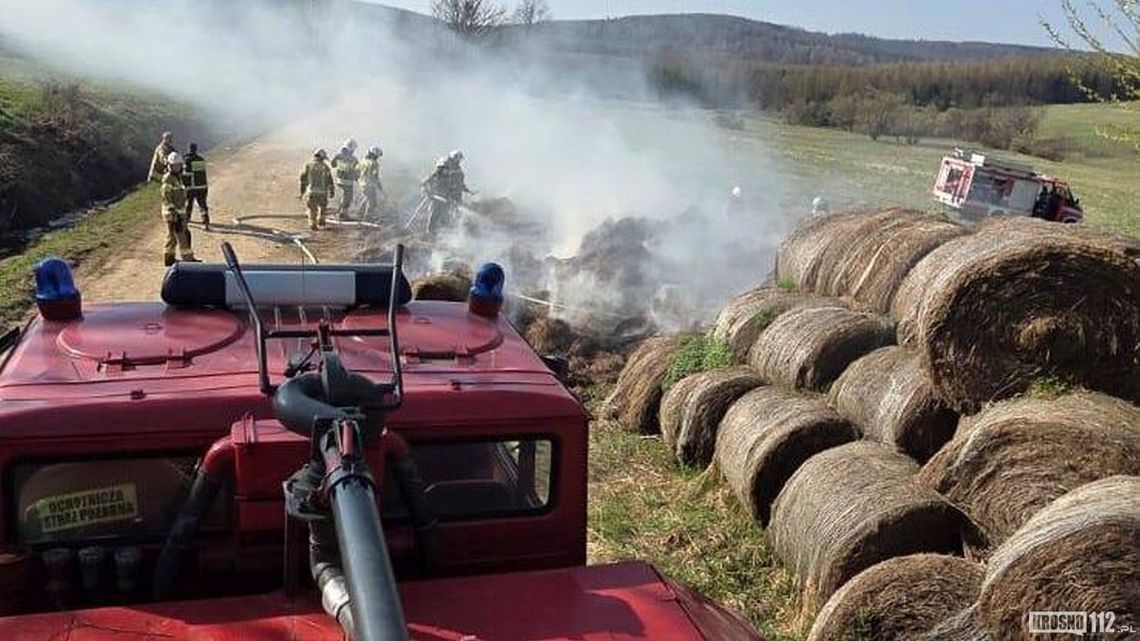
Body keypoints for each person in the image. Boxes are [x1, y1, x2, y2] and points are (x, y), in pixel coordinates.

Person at [421, 150, 473, 235]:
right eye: (457, 159)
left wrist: (467, 190)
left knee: (446, 212)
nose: (458, 162)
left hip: (448, 194)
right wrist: (427, 190)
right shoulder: (442, 167)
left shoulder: (457, 169)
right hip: (438, 193)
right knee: (435, 212)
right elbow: (429, 180)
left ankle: (443, 232)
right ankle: (430, 232)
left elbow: (459, 182)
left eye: (459, 160)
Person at [160, 152, 198, 266]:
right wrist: (173, 212)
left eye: (179, 165)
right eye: (175, 165)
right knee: (183, 235)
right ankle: (188, 259)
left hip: (179, 212)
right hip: (173, 214)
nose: (178, 167)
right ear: (170, 166)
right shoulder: (168, 179)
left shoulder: (177, 177)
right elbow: (166, 196)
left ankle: (169, 259)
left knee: (173, 237)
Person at [300, 148, 335, 231]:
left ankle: (313, 223)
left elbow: (303, 178)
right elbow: (330, 180)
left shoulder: (308, 165)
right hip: (323, 192)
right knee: (323, 207)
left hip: (312, 192)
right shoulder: (326, 167)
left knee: (312, 209)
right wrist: (332, 191)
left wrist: (302, 191)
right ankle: (321, 220)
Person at [182, 142, 210, 231]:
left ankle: (186, 221)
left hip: (191, 187)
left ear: (189, 149)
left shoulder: (187, 160)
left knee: (188, 204)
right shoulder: (201, 159)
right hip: (202, 187)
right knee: (203, 205)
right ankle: (206, 223)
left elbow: (186, 174)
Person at [330, 139, 359, 219]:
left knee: (344, 196)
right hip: (348, 182)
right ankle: (342, 214)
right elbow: (357, 171)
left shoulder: (338, 156)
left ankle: (341, 212)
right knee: (348, 198)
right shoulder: (354, 159)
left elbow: (333, 165)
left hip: (339, 180)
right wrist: (356, 178)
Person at [355, 146, 385, 221]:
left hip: (362, 184)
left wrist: (359, 181)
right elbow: (376, 177)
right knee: (372, 202)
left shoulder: (362, 161)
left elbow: (356, 172)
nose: (378, 158)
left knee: (366, 198)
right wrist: (380, 188)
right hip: (369, 185)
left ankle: (359, 213)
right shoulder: (374, 164)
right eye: (377, 156)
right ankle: (367, 218)